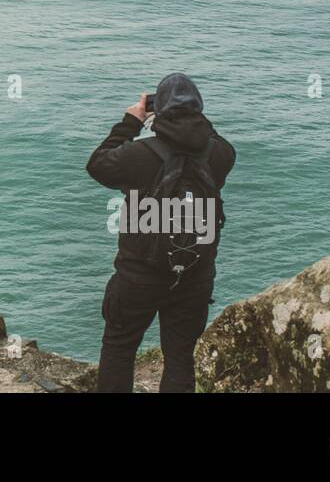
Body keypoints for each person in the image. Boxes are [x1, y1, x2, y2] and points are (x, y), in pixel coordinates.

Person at [86, 73, 235, 392]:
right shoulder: (221, 154)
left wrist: (131, 122)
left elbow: (96, 165)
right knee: (180, 357)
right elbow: (211, 139)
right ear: (199, 113)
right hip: (194, 276)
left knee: (119, 348)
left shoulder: (136, 156)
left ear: (159, 112)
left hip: (138, 276)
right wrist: (193, 121)